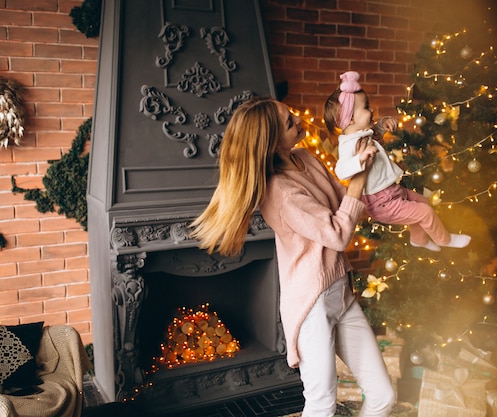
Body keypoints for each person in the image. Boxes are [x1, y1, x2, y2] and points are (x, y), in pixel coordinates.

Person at [190, 97, 396, 417]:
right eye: (289, 122)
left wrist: (368, 165)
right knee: (321, 404)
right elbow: (339, 234)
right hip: (311, 303)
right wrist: (359, 177)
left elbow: (344, 202)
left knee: (382, 394)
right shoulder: (280, 191)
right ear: (272, 141)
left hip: (340, 292)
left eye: (293, 115)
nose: (299, 121)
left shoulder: (306, 158)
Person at [324, 71, 471, 252]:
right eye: (366, 107)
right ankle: (444, 239)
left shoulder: (360, 133)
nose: (372, 110)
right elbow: (341, 170)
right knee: (426, 213)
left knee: (424, 203)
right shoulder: (348, 144)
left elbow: (374, 135)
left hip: (392, 191)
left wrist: (382, 124)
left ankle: (419, 240)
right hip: (381, 202)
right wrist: (360, 159)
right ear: (351, 118)